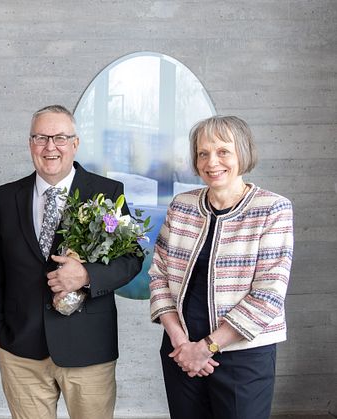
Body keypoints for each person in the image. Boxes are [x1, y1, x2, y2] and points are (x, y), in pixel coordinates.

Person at [0, 105, 143, 419]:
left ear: (75, 143)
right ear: (30, 144)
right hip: (21, 350)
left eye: (59, 137)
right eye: (41, 138)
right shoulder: (6, 196)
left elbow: (131, 259)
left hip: (88, 349)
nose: (50, 147)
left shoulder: (107, 192)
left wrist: (86, 275)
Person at [149, 115, 294, 418]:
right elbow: (159, 274)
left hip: (243, 354)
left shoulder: (272, 208)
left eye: (223, 151)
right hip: (181, 350)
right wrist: (180, 342)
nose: (211, 161)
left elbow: (268, 295)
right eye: (203, 153)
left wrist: (206, 348)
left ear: (243, 152)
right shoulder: (182, 205)